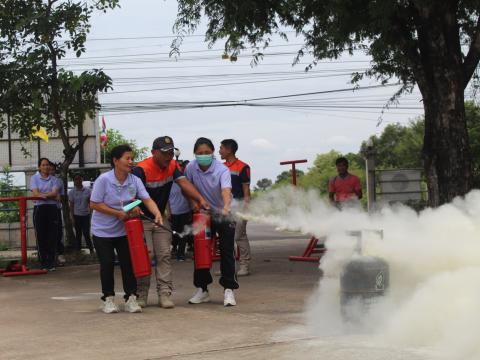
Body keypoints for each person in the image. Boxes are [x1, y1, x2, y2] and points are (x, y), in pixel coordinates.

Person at [132, 136, 208, 309]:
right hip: (142, 220)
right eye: (165, 153)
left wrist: (200, 199)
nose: (169, 156)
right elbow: (133, 196)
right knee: (146, 256)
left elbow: (184, 183)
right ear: (154, 153)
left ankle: (165, 294)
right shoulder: (141, 170)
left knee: (164, 255)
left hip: (161, 219)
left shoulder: (172, 166)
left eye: (171, 152)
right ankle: (141, 294)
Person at [90, 144, 163, 314]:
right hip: (102, 231)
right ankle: (107, 299)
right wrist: (117, 213)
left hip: (124, 231)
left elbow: (146, 199)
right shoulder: (104, 180)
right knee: (107, 263)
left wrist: (157, 213)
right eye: (127, 158)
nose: (131, 162)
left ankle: (131, 298)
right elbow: (93, 204)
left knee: (128, 264)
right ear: (115, 161)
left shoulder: (134, 180)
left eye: (132, 158)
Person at [184, 137, 239, 307]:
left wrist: (226, 206)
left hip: (224, 213)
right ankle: (202, 289)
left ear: (213, 153)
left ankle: (229, 290)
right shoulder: (191, 167)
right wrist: (194, 204)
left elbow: (226, 190)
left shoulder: (221, 170)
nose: (203, 156)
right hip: (203, 214)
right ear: (195, 154)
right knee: (200, 250)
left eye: (207, 153)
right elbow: (187, 188)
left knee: (226, 250)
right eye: (200, 153)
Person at [219, 139, 252, 276]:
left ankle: (244, 266)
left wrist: (246, 207)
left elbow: (246, 190)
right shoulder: (220, 167)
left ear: (229, 150)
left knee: (239, 236)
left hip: (238, 206)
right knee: (226, 237)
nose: (219, 151)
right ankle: (227, 267)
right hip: (225, 207)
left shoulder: (243, 167)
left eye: (221, 148)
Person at [30, 158, 60, 271]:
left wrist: (43, 195)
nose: (46, 167)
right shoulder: (34, 178)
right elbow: (36, 194)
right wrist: (50, 195)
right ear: (39, 167)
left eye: (47, 165)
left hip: (52, 209)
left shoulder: (54, 179)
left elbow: (55, 193)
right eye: (43, 165)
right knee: (41, 236)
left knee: (52, 236)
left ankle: (52, 263)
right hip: (39, 209)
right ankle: (43, 263)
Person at [168, 160, 193, 261]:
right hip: (173, 212)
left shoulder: (186, 182)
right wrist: (168, 211)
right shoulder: (169, 183)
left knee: (184, 234)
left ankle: (181, 254)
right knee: (174, 234)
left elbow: (190, 195)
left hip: (185, 211)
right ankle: (174, 248)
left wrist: (191, 208)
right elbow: (166, 200)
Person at [68, 174, 94, 254]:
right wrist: (72, 216)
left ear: (82, 180)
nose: (77, 181)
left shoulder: (88, 190)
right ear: (74, 181)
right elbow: (71, 205)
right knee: (78, 234)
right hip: (76, 216)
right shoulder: (71, 192)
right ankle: (78, 251)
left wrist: (90, 213)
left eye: (79, 179)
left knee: (86, 233)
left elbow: (91, 203)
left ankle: (91, 250)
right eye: (76, 179)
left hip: (86, 215)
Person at [49, 162, 66, 265]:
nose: (50, 171)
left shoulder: (58, 181)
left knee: (58, 232)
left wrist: (56, 197)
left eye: (52, 169)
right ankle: (49, 256)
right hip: (44, 209)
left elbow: (61, 197)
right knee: (47, 233)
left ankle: (59, 254)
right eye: (48, 168)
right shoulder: (38, 180)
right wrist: (53, 196)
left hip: (56, 209)